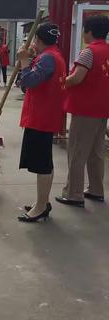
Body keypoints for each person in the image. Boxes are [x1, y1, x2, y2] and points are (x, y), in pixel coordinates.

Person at [56, 15, 109, 207]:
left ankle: (73, 194)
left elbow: (77, 78)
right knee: (96, 152)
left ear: (90, 32)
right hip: (103, 109)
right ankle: (96, 189)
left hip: (85, 109)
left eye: (85, 30)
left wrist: (61, 82)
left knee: (77, 152)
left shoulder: (89, 52)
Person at [17, 23, 66, 222]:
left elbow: (28, 82)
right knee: (45, 162)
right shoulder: (54, 55)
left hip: (41, 117)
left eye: (34, 39)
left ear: (38, 40)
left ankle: (40, 207)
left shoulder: (47, 58)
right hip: (45, 115)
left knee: (42, 164)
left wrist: (23, 61)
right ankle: (42, 201)